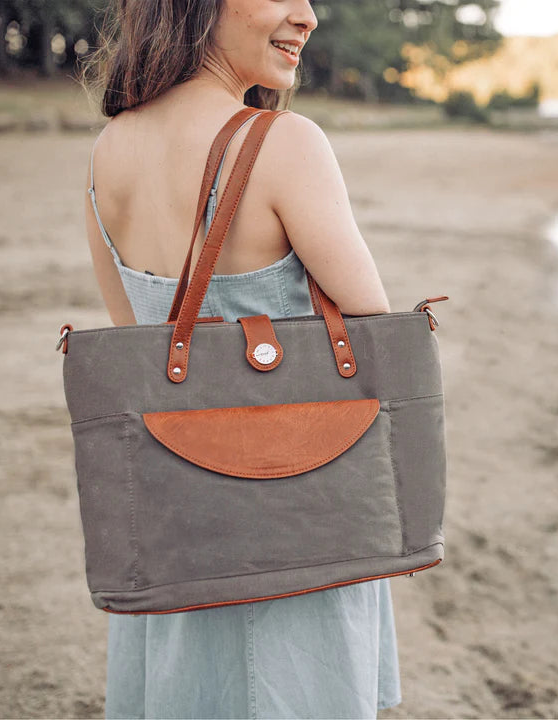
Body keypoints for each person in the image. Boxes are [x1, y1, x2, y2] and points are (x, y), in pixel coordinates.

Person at [81, 1, 400, 717]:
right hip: (295, 508)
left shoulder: (110, 149)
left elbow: (134, 332)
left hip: (176, 516)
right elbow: (373, 329)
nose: (309, 15)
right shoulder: (281, 141)